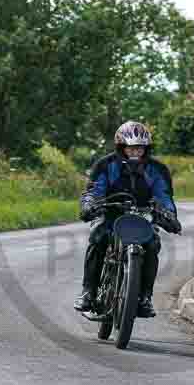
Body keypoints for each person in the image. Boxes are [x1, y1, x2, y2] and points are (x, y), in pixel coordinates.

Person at [73, 121, 181, 318]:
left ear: (146, 149)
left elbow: (164, 195)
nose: (135, 153)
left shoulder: (157, 169)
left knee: (153, 244)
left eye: (139, 148)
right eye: (131, 148)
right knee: (97, 236)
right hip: (111, 213)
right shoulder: (105, 165)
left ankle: (144, 298)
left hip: (142, 216)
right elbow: (94, 189)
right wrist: (89, 205)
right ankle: (88, 292)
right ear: (121, 148)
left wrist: (169, 215)